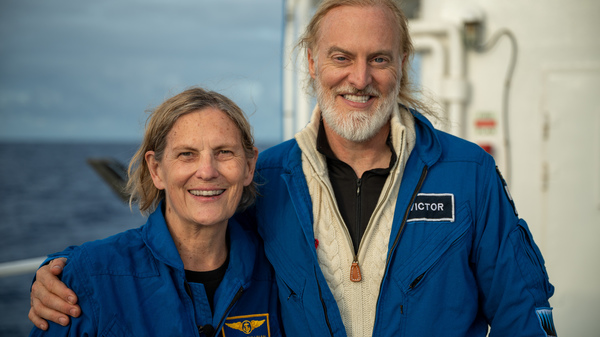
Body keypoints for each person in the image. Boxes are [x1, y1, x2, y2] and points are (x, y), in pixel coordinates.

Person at [29, 1, 557, 336]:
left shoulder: (467, 173)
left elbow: (520, 307)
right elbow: (188, 244)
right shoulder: (268, 178)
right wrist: (67, 272)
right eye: (340, 57)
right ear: (311, 63)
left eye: (379, 58)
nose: (359, 78)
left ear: (401, 64)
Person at [28, 87, 283, 336]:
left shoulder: (281, 271)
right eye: (187, 154)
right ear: (156, 170)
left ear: (249, 167)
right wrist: (63, 271)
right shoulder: (89, 278)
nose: (207, 171)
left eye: (224, 152)